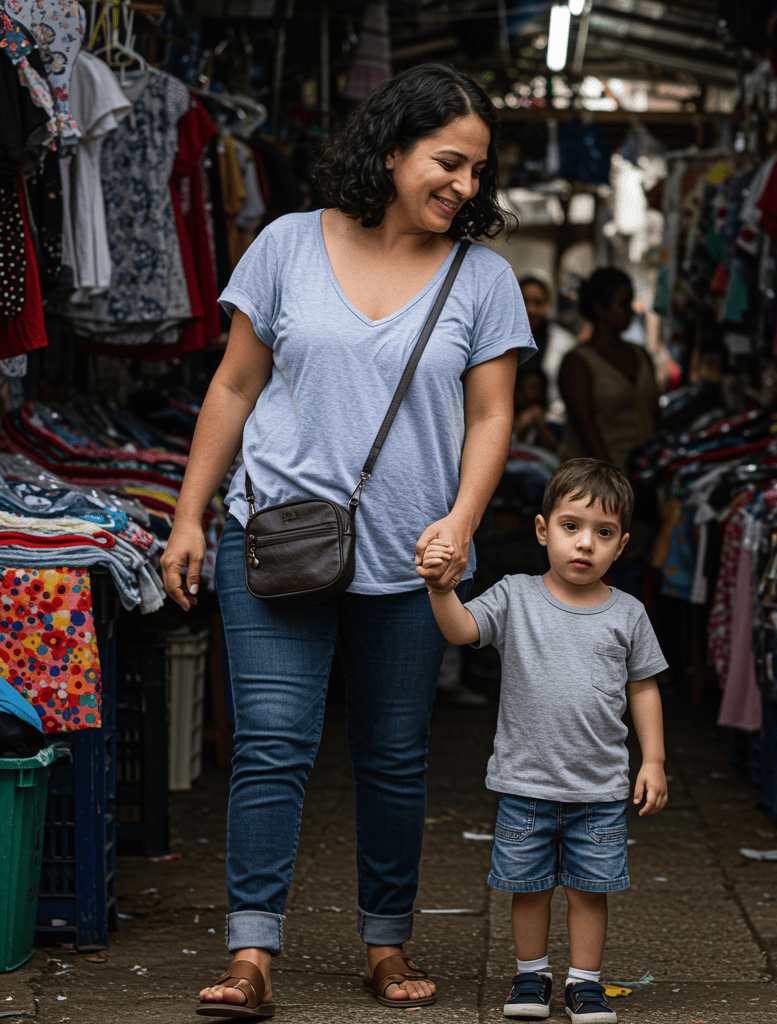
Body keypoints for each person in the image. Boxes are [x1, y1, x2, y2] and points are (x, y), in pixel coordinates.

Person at [159, 63, 535, 1017]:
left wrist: (460, 519)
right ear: (393, 149)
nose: (465, 185)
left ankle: (385, 942)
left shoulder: (482, 278)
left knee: (394, 755)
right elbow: (235, 386)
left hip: (416, 559)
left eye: (478, 171)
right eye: (448, 162)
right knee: (273, 746)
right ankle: (251, 954)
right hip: (276, 535)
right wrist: (191, 514)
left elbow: (493, 417)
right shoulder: (286, 244)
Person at [419, 458, 668, 1023]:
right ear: (542, 530)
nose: (585, 544)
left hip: (600, 789)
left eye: (603, 534)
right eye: (571, 526)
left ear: (622, 545)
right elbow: (462, 630)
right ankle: (530, 976)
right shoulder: (515, 596)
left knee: (588, 890)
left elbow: (645, 688)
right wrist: (441, 589)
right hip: (526, 784)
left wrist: (652, 760)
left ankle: (585, 983)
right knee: (526, 887)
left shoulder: (628, 613)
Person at [557, 269, 660, 475]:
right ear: (599, 307)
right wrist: (613, 481)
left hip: (642, 474)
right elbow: (586, 429)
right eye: (623, 304)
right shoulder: (577, 363)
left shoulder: (640, 354)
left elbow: (654, 416)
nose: (630, 311)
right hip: (592, 481)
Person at [519, 274, 579, 424]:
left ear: (546, 305)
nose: (530, 309)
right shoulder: (495, 339)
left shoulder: (563, 342)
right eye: (524, 302)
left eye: (537, 303)